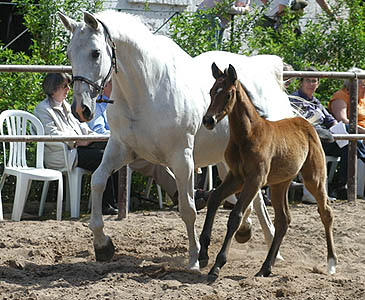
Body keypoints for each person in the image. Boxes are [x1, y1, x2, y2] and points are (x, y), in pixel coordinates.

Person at [86, 80, 211, 210]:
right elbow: (98, 130)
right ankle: (185, 196)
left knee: (164, 154)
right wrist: (122, 134)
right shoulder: (99, 104)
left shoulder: (124, 104)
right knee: (152, 160)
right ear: (106, 85)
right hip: (114, 147)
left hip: (130, 145)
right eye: (114, 83)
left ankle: (186, 195)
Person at [34, 73, 118, 215]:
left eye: (68, 86)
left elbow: (82, 127)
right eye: (64, 86)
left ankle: (113, 202)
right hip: (62, 153)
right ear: (53, 89)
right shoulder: (43, 109)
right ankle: (105, 204)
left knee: (113, 151)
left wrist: (98, 137)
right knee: (103, 157)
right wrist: (76, 141)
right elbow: (52, 135)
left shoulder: (66, 106)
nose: (68, 89)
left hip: (76, 149)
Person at [289, 68, 354, 201]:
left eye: (314, 81)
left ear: (318, 84)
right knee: (351, 138)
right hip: (306, 139)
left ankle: (341, 186)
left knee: (350, 144)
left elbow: (330, 121)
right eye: (308, 80)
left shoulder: (316, 102)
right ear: (301, 82)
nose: (311, 84)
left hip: (323, 138)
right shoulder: (293, 99)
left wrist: (337, 128)